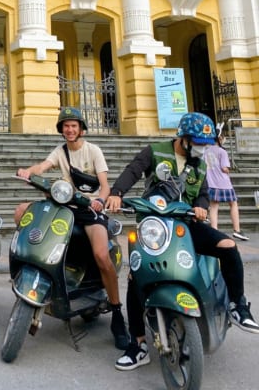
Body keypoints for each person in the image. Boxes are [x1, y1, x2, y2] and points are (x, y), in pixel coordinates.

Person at [106, 112, 259, 371]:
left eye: (205, 142)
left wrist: (200, 207)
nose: (202, 147)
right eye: (198, 142)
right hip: (153, 228)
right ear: (184, 138)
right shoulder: (155, 151)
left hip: (186, 226)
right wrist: (116, 194)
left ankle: (238, 306)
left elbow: (202, 192)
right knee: (136, 279)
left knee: (229, 247)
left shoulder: (199, 163)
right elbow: (132, 171)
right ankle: (138, 345)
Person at [14, 106, 129, 350]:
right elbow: (43, 166)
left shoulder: (93, 150)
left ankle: (117, 313)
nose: (69, 129)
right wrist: (27, 172)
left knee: (100, 254)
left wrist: (99, 200)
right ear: (61, 129)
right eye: (65, 126)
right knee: (22, 211)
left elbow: (105, 185)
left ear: (81, 129)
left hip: (90, 209)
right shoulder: (60, 151)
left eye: (73, 125)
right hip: (65, 206)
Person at [204, 125, 249, 240]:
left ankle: (214, 231)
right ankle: (237, 230)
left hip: (211, 182)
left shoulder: (206, 151)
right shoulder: (222, 152)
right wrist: (228, 170)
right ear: (220, 139)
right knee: (233, 204)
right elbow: (224, 168)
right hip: (224, 183)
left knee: (214, 206)